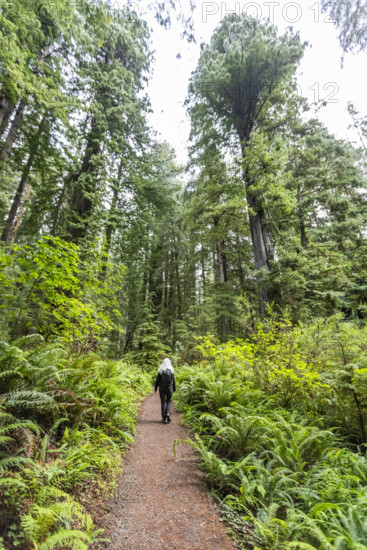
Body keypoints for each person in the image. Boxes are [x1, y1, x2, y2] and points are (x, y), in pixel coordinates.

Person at [154, 358, 176, 423]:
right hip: (169, 388)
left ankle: (164, 417)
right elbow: (173, 380)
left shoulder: (161, 370)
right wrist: (174, 388)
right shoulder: (171, 370)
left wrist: (155, 388)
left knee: (163, 402)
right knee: (168, 401)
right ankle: (168, 413)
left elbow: (157, 380)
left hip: (162, 388)